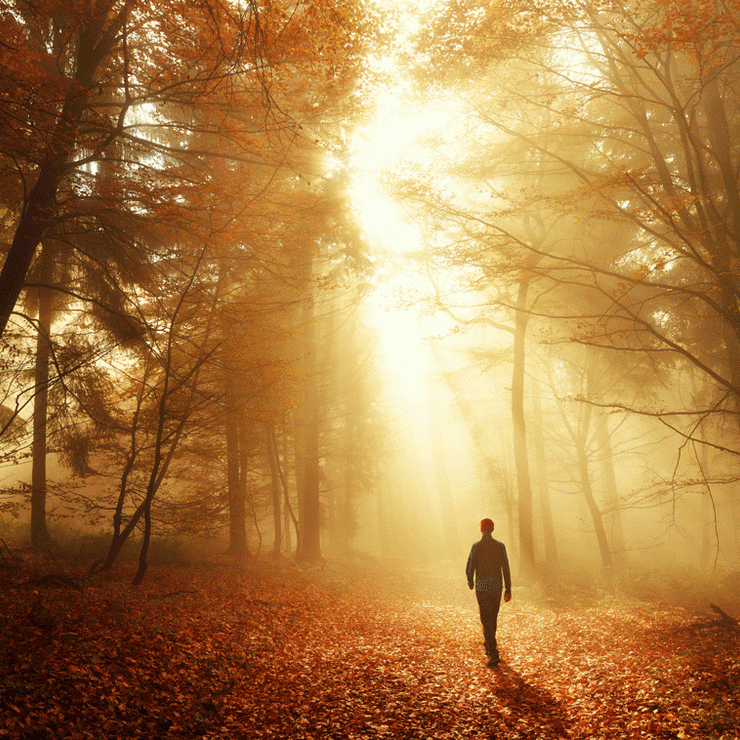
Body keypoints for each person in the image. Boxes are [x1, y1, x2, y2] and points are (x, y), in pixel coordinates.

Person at [466, 518, 512, 666]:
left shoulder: (476, 546)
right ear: (492, 529)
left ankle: (493, 652)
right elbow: (505, 567)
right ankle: (489, 645)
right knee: (492, 617)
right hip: (496, 585)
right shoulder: (500, 547)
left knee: (486, 618)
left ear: (481, 529)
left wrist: (470, 581)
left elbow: (470, 565)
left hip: (482, 585)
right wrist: (508, 588)